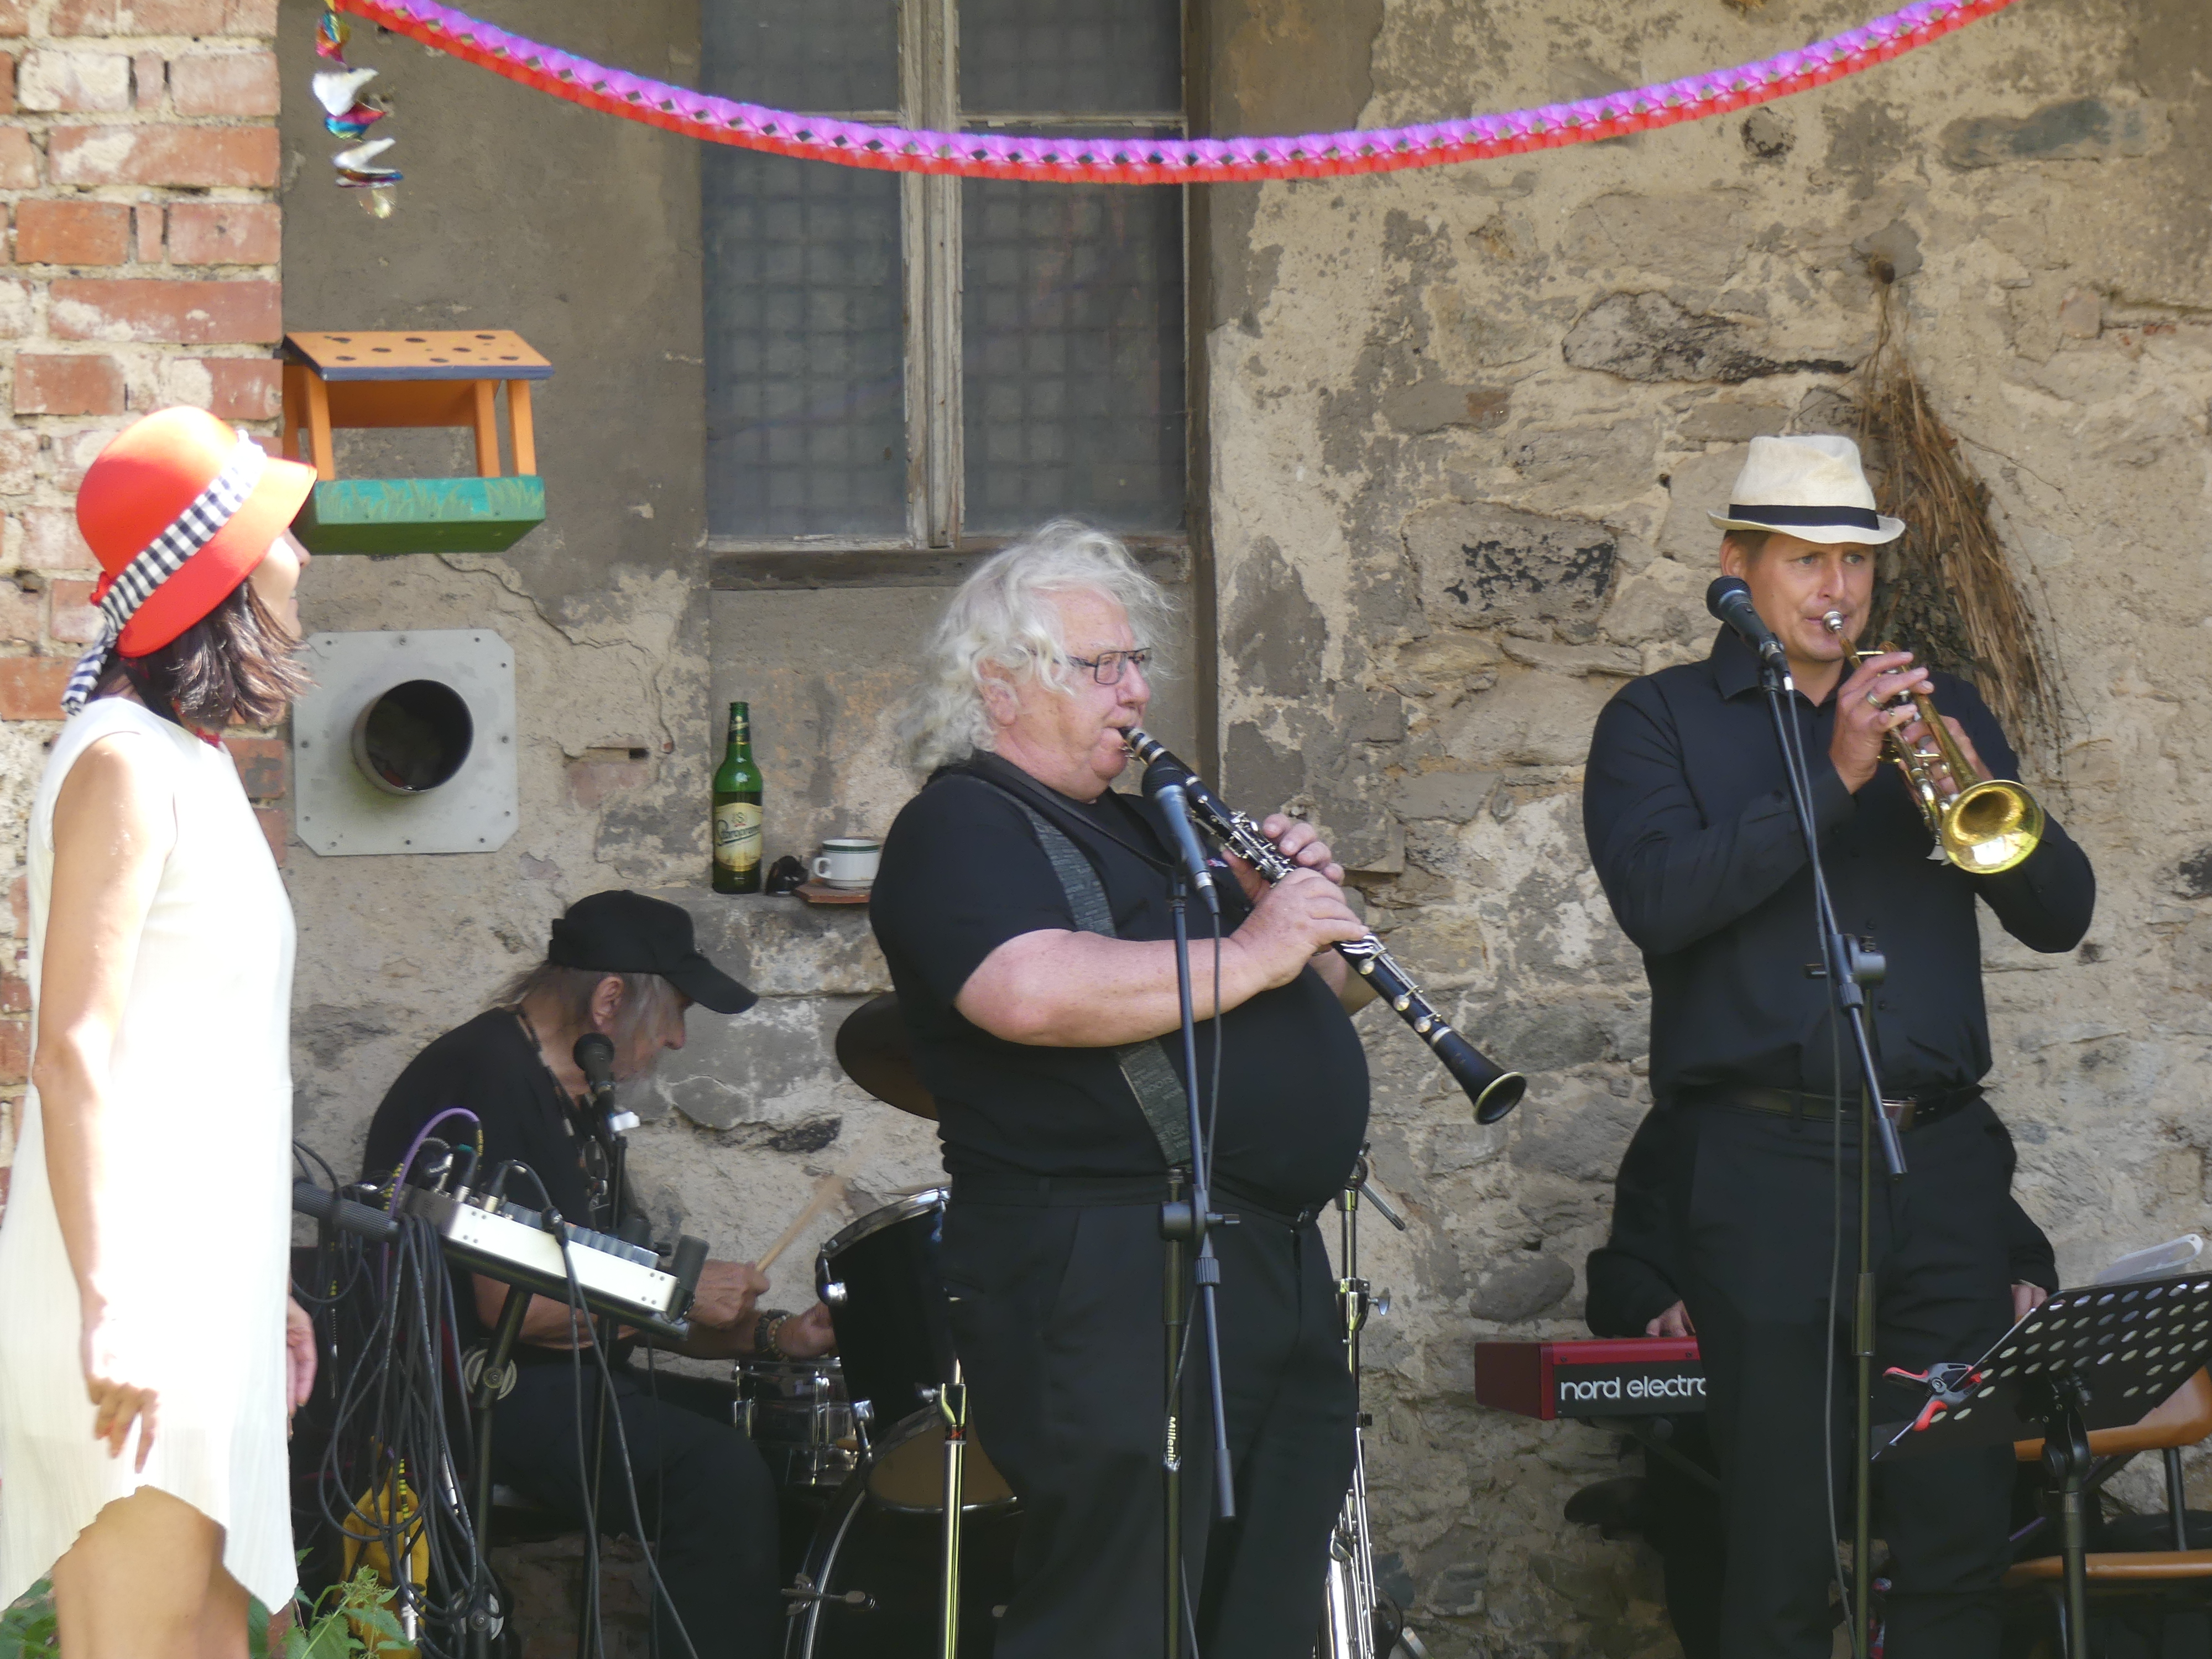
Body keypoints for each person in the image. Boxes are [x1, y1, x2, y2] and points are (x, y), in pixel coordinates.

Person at [1580, 433, 2096, 1659]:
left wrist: (1982, 792)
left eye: (1857, 563)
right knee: (1777, 1547)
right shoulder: (1657, 720)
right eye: (1807, 560)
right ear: (1737, 565)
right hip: (1764, 1169)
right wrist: (1835, 775)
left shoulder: (1940, 706)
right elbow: (1658, 902)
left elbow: (2059, 915)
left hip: (1939, 1164)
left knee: (1957, 1536)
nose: (1838, 589)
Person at [869, 520, 1374, 1658]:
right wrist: (1252, 949)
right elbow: (1025, 990)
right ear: (999, 685)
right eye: (1102, 667)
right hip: (1111, 1265)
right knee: (1120, 1617)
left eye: (1135, 663)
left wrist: (1299, 924)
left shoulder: (1155, 827)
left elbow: (1313, 997)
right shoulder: (961, 823)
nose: (1136, 692)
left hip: (1262, 1256)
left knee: (1260, 1614)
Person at [0, 409, 324, 1658]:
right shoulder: (124, 764)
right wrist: (109, 1305)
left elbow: (205, 1059)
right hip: (138, 1299)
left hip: (203, 1287)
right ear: (222, 571)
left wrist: (267, 1281)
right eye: (280, 530)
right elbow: (70, 1049)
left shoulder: (191, 764)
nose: (303, 554)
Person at [359, 889, 834, 1659]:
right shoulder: (489, 1076)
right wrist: (681, 1292)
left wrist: (776, 1338)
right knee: (717, 1473)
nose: (678, 1039)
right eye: (676, 1012)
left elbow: (623, 1303)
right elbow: (511, 1308)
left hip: (563, 1379)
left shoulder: (575, 1095)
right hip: (476, 1392)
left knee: (772, 1436)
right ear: (610, 1000)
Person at [1575, 1108, 2063, 1659]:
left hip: (1902, 1412)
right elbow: (1617, 1276)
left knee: (2023, 1473)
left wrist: (2027, 1280)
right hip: (1757, 1411)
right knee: (1702, 1480)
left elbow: (2019, 1246)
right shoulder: (1701, 1120)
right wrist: (1660, 1305)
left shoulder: (1929, 1117)